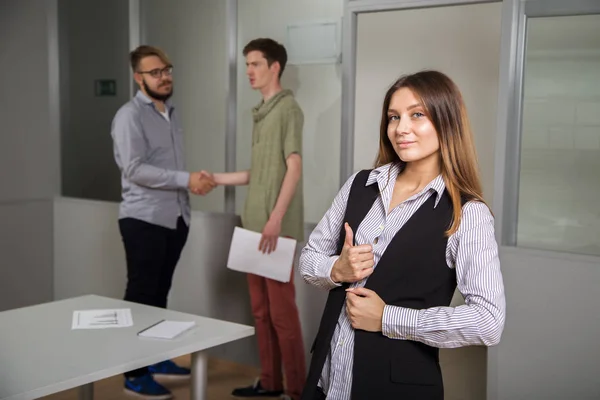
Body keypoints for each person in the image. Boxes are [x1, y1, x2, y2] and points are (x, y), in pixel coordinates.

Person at [299, 70, 506, 400]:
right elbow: (309, 259)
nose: (401, 128)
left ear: (446, 120)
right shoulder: (359, 185)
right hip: (326, 379)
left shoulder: (468, 214)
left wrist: (387, 318)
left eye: (417, 115)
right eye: (393, 117)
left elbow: (488, 321)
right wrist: (337, 270)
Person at [202, 38, 306, 400]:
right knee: (260, 312)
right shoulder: (261, 113)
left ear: (275, 66)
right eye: (247, 64)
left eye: (256, 64)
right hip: (252, 227)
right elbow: (258, 173)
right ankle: (270, 382)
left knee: (282, 315)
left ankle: (296, 390)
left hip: (274, 230)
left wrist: (276, 219)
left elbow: (294, 167)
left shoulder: (287, 109)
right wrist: (215, 178)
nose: (249, 71)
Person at [110, 45, 215, 399]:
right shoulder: (129, 116)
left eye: (167, 69)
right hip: (144, 219)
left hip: (175, 217)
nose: (164, 76)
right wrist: (187, 179)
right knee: (140, 297)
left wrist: (188, 186)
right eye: (155, 72)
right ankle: (133, 374)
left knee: (159, 293)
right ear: (138, 78)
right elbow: (135, 169)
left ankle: (153, 359)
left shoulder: (170, 112)